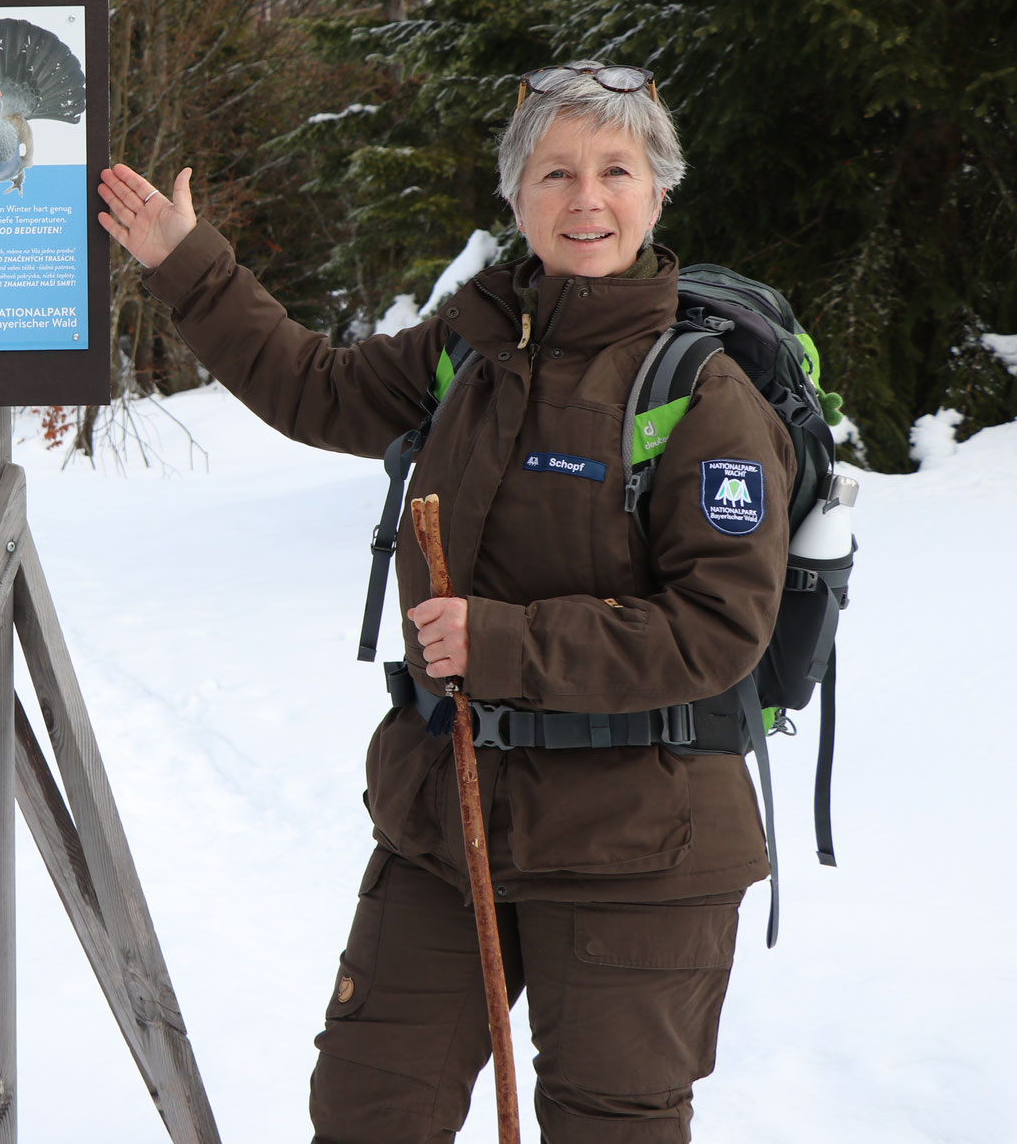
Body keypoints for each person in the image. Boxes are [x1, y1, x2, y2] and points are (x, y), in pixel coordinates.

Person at [97, 62, 796, 1144]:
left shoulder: (697, 395)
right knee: (372, 1102)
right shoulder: (470, 346)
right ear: (514, 198)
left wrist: (502, 643)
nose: (584, 198)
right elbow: (317, 388)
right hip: (451, 815)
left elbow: (718, 629)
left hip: (634, 842)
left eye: (615, 170)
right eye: (553, 172)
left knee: (607, 1125)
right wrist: (187, 264)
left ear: (657, 193)